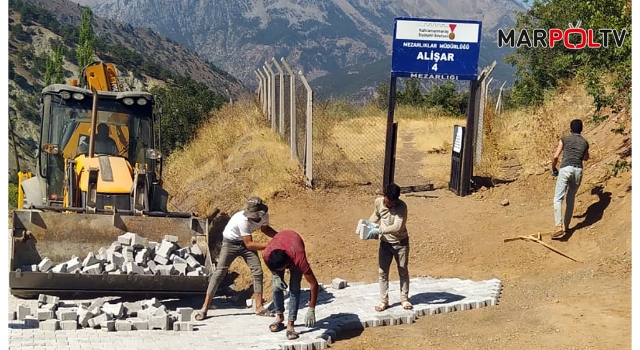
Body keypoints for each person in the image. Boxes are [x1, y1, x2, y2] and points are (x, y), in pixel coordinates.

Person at [194, 196, 278, 321]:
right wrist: (270, 244)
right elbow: (250, 244)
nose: (252, 217)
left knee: (257, 271)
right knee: (219, 273)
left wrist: (279, 237)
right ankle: (204, 308)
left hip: (245, 244)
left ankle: (259, 307)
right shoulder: (242, 219)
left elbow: (265, 229)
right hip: (230, 243)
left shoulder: (264, 215)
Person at [263, 230, 319, 340]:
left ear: (286, 265)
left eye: (280, 269)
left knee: (294, 289)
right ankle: (279, 317)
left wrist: (311, 308)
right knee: (276, 287)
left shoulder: (299, 259)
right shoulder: (267, 254)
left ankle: (290, 324)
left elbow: (314, 284)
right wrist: (275, 274)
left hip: (294, 243)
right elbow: (265, 259)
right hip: (282, 239)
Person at [366, 182, 412, 312]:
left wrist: (379, 230)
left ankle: (404, 299)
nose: (390, 204)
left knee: (402, 270)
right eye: (388, 201)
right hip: (385, 244)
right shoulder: (378, 202)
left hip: (400, 243)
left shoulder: (402, 207)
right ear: (384, 195)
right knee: (382, 272)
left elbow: (398, 227)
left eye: (393, 202)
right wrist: (367, 226)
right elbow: (376, 215)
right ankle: (384, 301)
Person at [551, 119, 590, 239]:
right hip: (578, 170)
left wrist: (553, 167)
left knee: (558, 198)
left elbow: (556, 156)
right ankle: (566, 227)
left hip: (565, 169)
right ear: (581, 129)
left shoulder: (564, 139)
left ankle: (558, 226)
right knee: (571, 198)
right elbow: (586, 158)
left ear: (570, 129)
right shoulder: (585, 142)